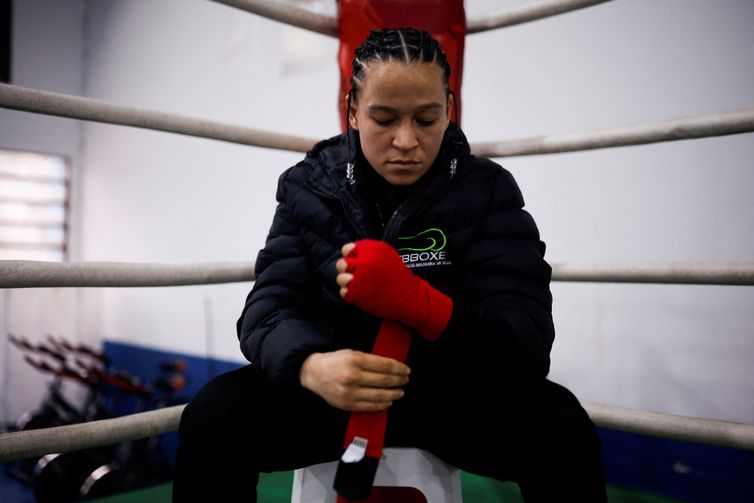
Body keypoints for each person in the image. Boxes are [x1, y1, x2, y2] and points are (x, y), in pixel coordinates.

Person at [173, 27, 607, 502]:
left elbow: (525, 339)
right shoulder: (309, 185)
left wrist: (421, 304)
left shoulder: (487, 190)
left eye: (426, 118)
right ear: (354, 110)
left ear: (450, 109)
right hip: (333, 392)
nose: (406, 141)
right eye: (384, 118)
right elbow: (268, 306)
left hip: (447, 394)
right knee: (213, 415)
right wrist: (310, 366)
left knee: (560, 425)